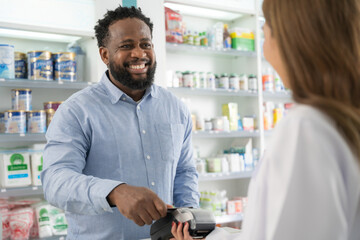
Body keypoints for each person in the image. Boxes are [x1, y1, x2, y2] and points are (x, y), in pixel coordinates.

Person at [171, 0, 360, 239]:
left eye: (268, 23)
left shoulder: (307, 127)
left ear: (295, 36)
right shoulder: (342, 117)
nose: (262, 31)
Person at [41, 6, 200, 240]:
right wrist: (114, 193)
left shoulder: (175, 108)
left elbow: (184, 171)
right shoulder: (76, 111)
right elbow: (55, 180)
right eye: (126, 46)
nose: (139, 54)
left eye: (145, 44)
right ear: (105, 55)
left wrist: (190, 221)